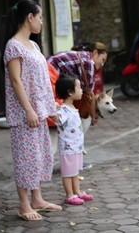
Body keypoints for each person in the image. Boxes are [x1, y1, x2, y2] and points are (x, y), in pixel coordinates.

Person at [2, 0, 62, 221]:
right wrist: (28, 110)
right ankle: (24, 204)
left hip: (39, 112)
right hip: (24, 115)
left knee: (39, 155)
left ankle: (37, 198)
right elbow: (16, 81)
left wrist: (50, 106)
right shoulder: (13, 46)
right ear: (30, 18)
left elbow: (43, 80)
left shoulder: (33, 45)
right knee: (25, 159)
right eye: (41, 17)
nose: (42, 22)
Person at [55, 74, 94, 205]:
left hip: (76, 147)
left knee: (75, 171)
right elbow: (57, 120)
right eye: (79, 87)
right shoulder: (63, 109)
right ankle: (69, 195)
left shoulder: (72, 108)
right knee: (67, 173)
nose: (82, 90)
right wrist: (53, 108)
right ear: (70, 92)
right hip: (68, 148)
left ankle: (77, 191)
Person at [47, 42, 108, 126]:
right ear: (95, 53)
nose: (102, 64)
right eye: (102, 59)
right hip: (49, 73)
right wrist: (93, 116)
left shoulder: (81, 56)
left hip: (47, 70)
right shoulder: (88, 62)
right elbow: (89, 93)